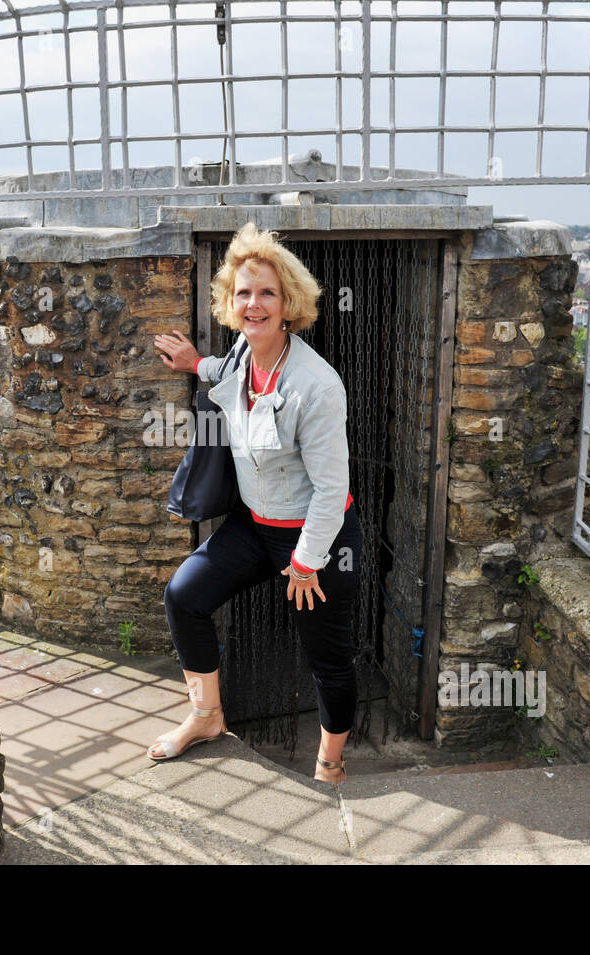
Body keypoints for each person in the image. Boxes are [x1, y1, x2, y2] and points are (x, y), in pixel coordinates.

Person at [149, 221, 363, 785]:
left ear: (288, 301)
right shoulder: (243, 354)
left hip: (318, 538)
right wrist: (196, 363)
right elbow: (223, 373)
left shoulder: (317, 386)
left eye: (266, 292)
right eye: (243, 292)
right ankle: (206, 716)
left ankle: (330, 764)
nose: (254, 303)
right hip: (256, 526)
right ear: (230, 301)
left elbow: (328, 492)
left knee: (328, 660)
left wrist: (306, 560)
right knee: (185, 595)